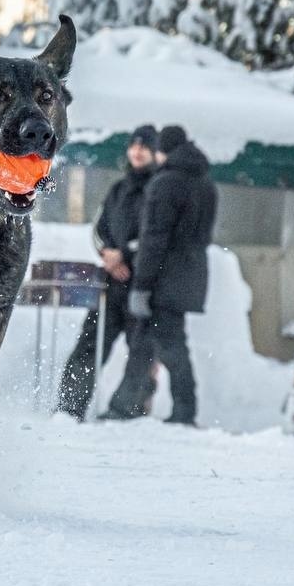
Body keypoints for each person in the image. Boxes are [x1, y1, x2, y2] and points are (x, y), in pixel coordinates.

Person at [103, 124, 218, 425]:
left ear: (162, 151)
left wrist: (141, 285)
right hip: (191, 274)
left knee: (170, 345)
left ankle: (183, 410)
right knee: (149, 341)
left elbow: (154, 238)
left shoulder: (165, 183)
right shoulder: (205, 182)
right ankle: (125, 405)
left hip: (163, 277)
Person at [55, 125, 159, 420]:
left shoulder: (159, 189)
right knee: (90, 342)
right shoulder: (119, 188)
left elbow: (156, 236)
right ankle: (69, 407)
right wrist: (110, 257)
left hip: (143, 284)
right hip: (111, 283)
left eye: (145, 147)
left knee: (141, 350)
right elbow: (99, 228)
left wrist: (126, 254)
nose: (138, 151)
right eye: (134, 145)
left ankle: (127, 408)